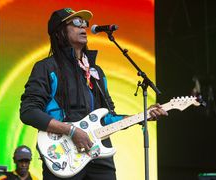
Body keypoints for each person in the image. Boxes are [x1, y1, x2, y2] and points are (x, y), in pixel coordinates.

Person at [20, 7, 168, 180]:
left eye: (84, 23)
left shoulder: (96, 71)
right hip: (65, 154)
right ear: (59, 32)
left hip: (99, 155)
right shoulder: (46, 68)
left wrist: (141, 115)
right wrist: (72, 131)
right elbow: (28, 112)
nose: (83, 27)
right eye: (76, 22)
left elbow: (107, 118)